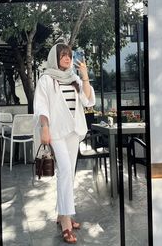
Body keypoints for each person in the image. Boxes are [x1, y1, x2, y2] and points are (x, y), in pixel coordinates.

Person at [33, 43, 95, 244]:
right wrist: (44, 128)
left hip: (73, 131)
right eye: (63, 55)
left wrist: (84, 75)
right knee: (66, 170)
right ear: (55, 58)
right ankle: (66, 222)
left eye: (69, 55)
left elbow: (87, 101)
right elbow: (41, 105)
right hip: (56, 132)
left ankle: (62, 214)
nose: (67, 59)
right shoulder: (46, 79)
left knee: (67, 173)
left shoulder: (73, 78)